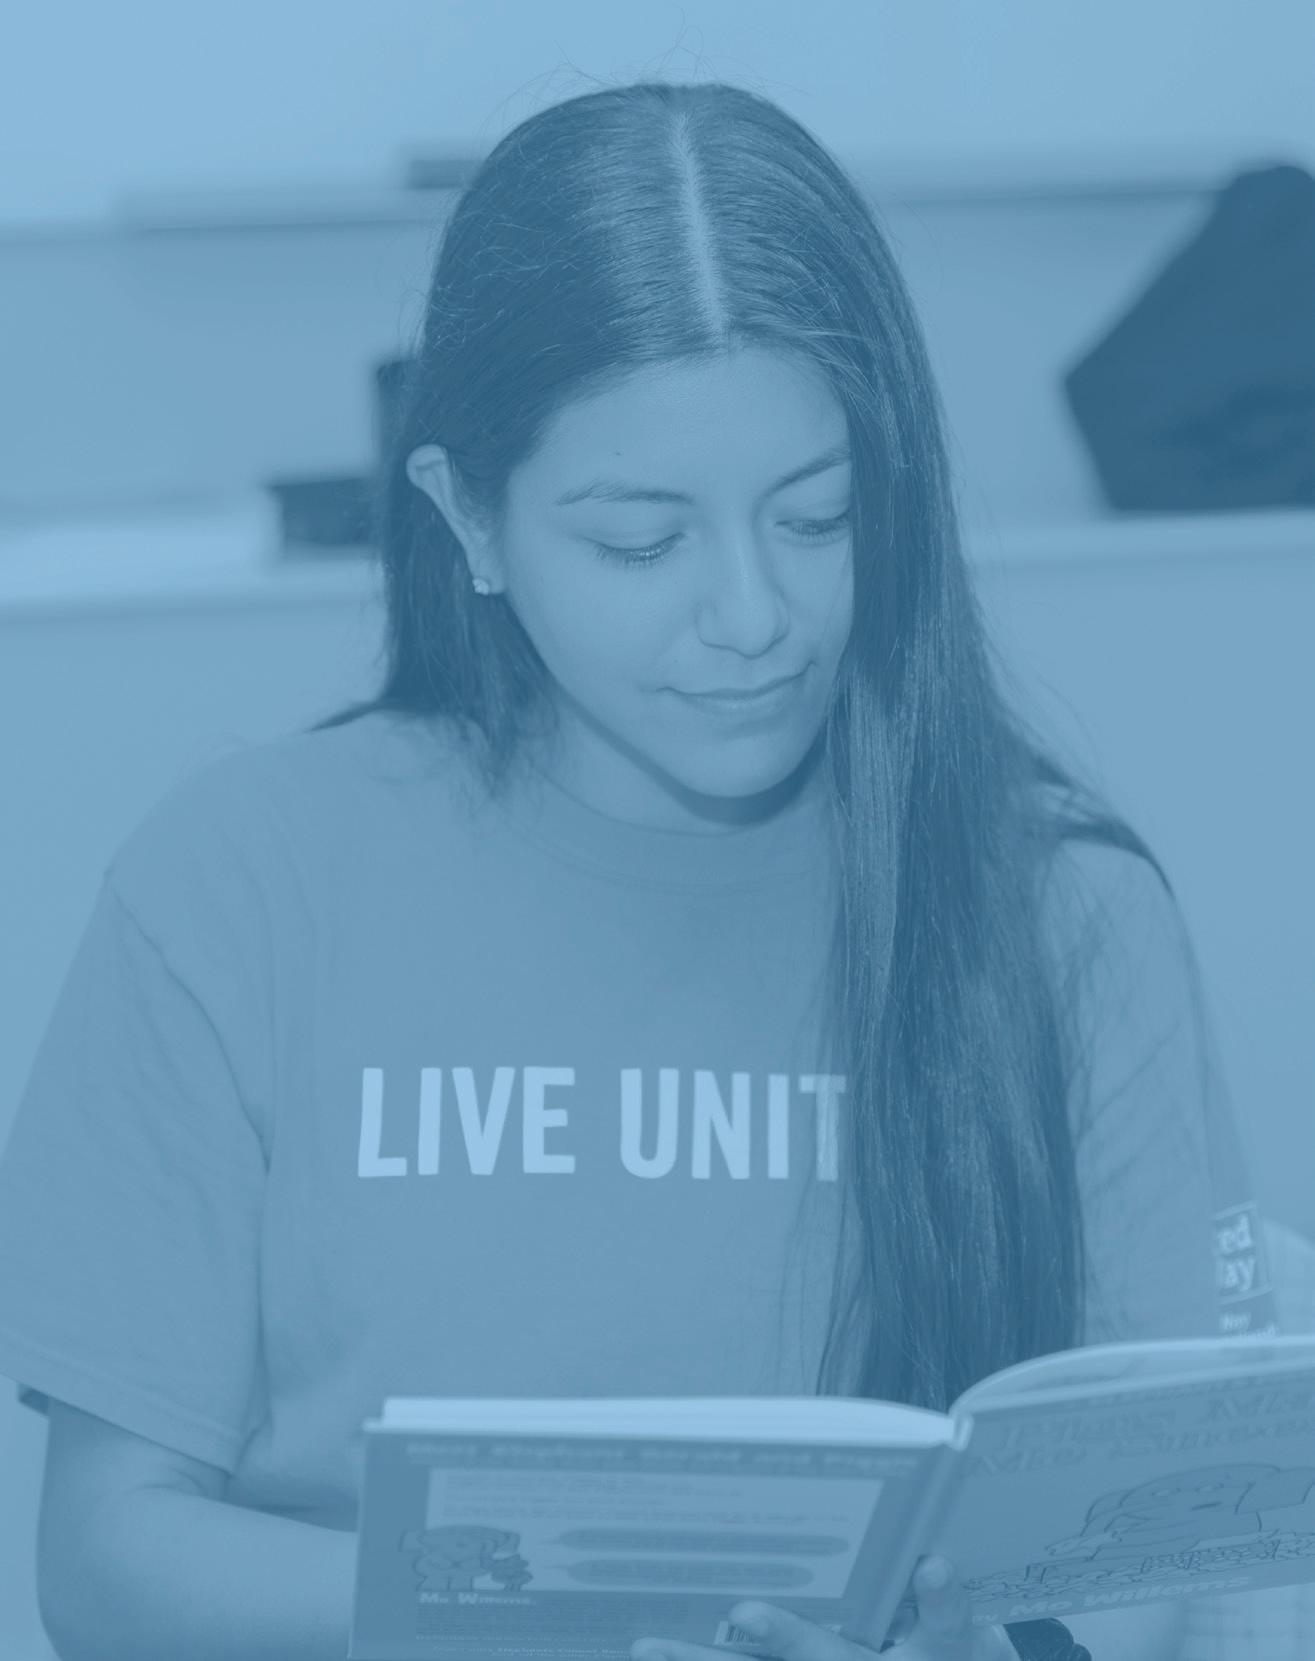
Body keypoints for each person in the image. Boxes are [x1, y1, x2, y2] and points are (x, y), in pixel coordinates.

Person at [0, 79, 1277, 1661]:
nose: (752, 616)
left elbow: (1150, 1563)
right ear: (469, 519)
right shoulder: (240, 883)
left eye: (816, 516)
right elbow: (107, 1558)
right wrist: (555, 1608)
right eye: (641, 542)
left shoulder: (1063, 907)